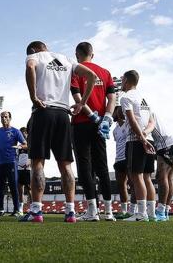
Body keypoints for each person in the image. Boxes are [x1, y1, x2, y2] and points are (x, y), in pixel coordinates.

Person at [20, 41, 97, 223]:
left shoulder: (34, 56)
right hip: (63, 114)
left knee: (38, 162)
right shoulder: (67, 59)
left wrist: (33, 96)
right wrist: (81, 103)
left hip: (43, 110)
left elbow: (30, 67)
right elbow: (91, 76)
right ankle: (70, 212)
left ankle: (36, 211)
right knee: (66, 165)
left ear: (33, 50)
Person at [70, 42, 117, 222]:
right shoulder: (105, 72)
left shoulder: (76, 71)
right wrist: (107, 118)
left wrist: (93, 117)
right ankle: (108, 211)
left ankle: (92, 211)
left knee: (85, 167)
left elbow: (77, 98)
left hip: (82, 122)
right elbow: (112, 98)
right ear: (92, 54)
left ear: (77, 54)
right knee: (102, 166)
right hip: (100, 125)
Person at [120, 70, 156, 222]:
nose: (121, 83)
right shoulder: (145, 98)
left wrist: (141, 138)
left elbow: (132, 120)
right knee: (147, 177)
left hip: (136, 141)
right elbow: (152, 122)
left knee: (137, 176)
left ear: (127, 81)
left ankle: (141, 214)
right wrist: (146, 136)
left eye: (122, 80)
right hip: (148, 139)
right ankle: (152, 213)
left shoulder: (126, 97)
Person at [151, 113, 173, 222]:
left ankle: (160, 211)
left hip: (167, 143)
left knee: (161, 176)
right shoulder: (151, 112)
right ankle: (165, 211)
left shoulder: (145, 112)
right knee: (169, 178)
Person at [0, 111, 27, 216]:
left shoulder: (16, 131)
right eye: (2, 117)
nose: (4, 118)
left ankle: (17, 210)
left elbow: (25, 144)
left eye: (6, 117)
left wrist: (19, 147)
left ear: (10, 118)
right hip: (0, 163)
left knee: (13, 186)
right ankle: (0, 209)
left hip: (11, 162)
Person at [112, 106, 131, 219]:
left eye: (114, 112)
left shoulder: (127, 125)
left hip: (128, 158)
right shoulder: (114, 130)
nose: (112, 114)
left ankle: (134, 209)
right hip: (118, 159)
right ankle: (124, 210)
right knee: (121, 185)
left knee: (133, 184)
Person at [17, 127, 31, 214]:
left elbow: (32, 157)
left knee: (29, 189)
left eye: (24, 132)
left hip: (28, 169)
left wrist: (28, 164)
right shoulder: (19, 146)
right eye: (21, 133)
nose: (23, 134)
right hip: (19, 168)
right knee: (20, 189)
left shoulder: (30, 144)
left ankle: (33, 207)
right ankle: (20, 209)